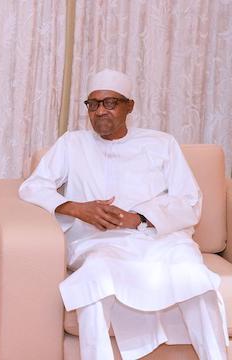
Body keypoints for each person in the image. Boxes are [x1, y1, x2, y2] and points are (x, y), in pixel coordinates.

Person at [19, 69, 228, 359]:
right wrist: (77, 208)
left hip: (158, 241)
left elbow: (190, 201)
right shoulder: (71, 143)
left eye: (110, 103)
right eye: (92, 104)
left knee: (193, 276)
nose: (100, 111)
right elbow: (33, 187)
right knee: (95, 278)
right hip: (98, 242)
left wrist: (139, 217)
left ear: (129, 106)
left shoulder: (161, 143)